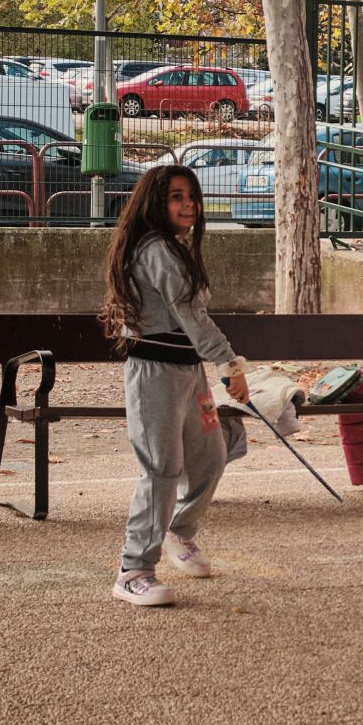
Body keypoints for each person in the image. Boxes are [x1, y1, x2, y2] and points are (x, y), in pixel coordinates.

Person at [99, 165, 250, 607]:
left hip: (188, 373)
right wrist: (229, 363)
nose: (189, 205)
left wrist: (215, 364)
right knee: (161, 469)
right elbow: (190, 314)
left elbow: (190, 316)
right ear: (155, 204)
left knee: (210, 457)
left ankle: (177, 531)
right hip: (155, 375)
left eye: (192, 196)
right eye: (176, 197)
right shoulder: (156, 249)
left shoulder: (174, 248)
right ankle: (133, 570)